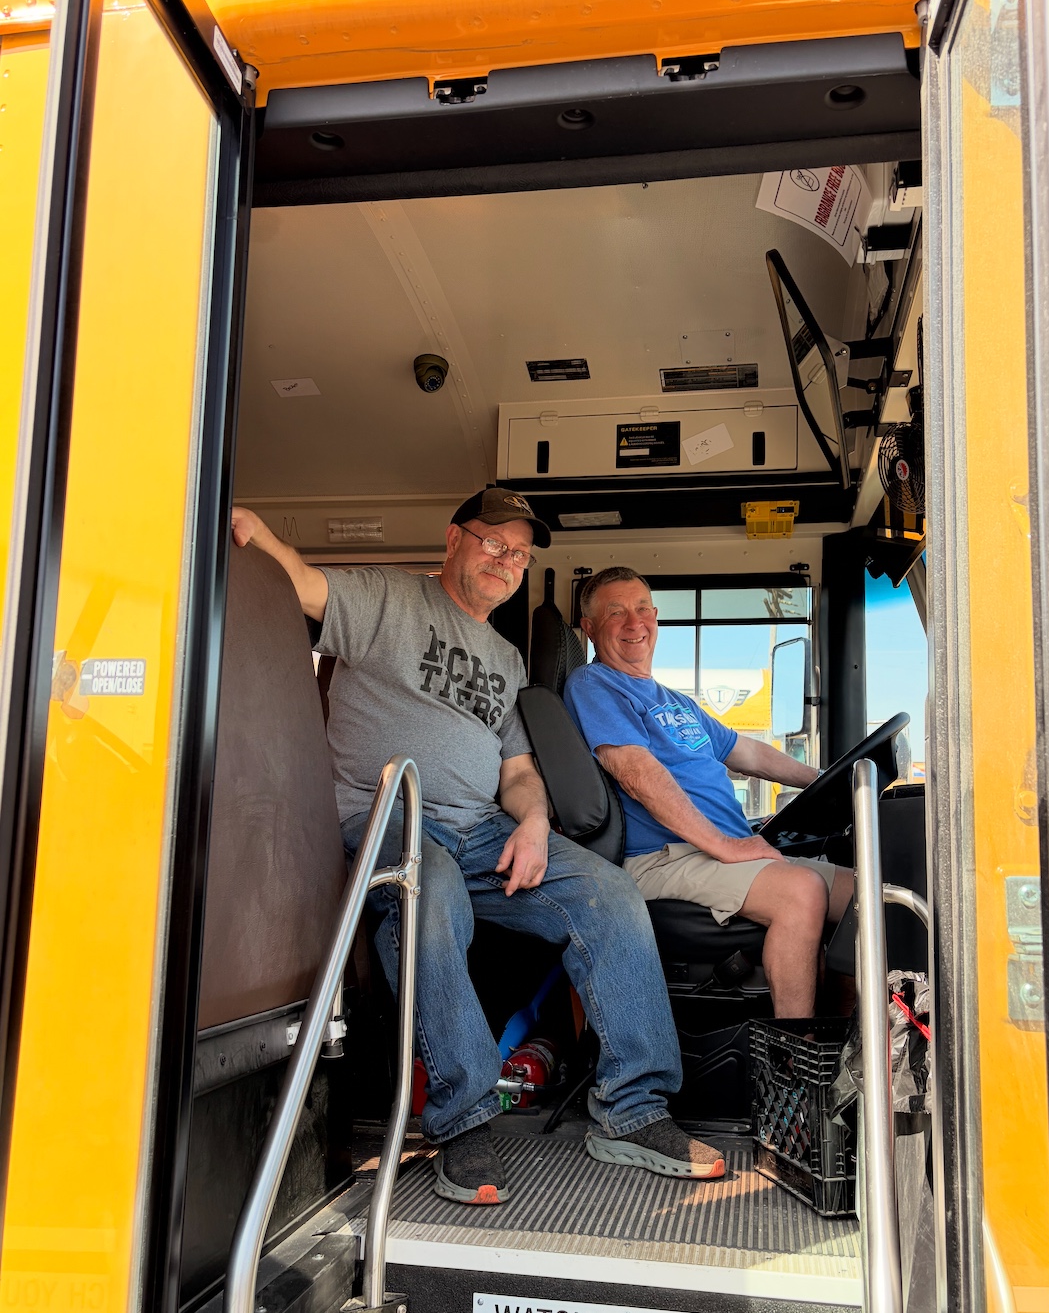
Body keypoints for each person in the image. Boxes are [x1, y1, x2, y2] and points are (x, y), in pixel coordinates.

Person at [230, 491, 725, 1206]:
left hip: (484, 828)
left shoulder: (506, 658)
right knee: (429, 894)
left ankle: (633, 1108)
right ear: (454, 540)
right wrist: (259, 532)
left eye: (519, 553)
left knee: (609, 894)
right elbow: (305, 583)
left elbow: (518, 773)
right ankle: (461, 1120)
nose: (506, 559)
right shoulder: (390, 601)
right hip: (390, 815)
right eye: (494, 542)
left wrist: (531, 824)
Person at [564, 566, 853, 1019]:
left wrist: (828, 779)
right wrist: (724, 844)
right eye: (615, 613)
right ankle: (795, 1063)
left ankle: (852, 1038)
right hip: (665, 855)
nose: (634, 623)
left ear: (656, 617)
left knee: (866, 894)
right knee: (802, 891)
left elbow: (749, 753)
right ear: (590, 628)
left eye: (642, 609)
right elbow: (636, 773)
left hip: (713, 851)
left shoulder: (676, 701)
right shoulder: (593, 685)